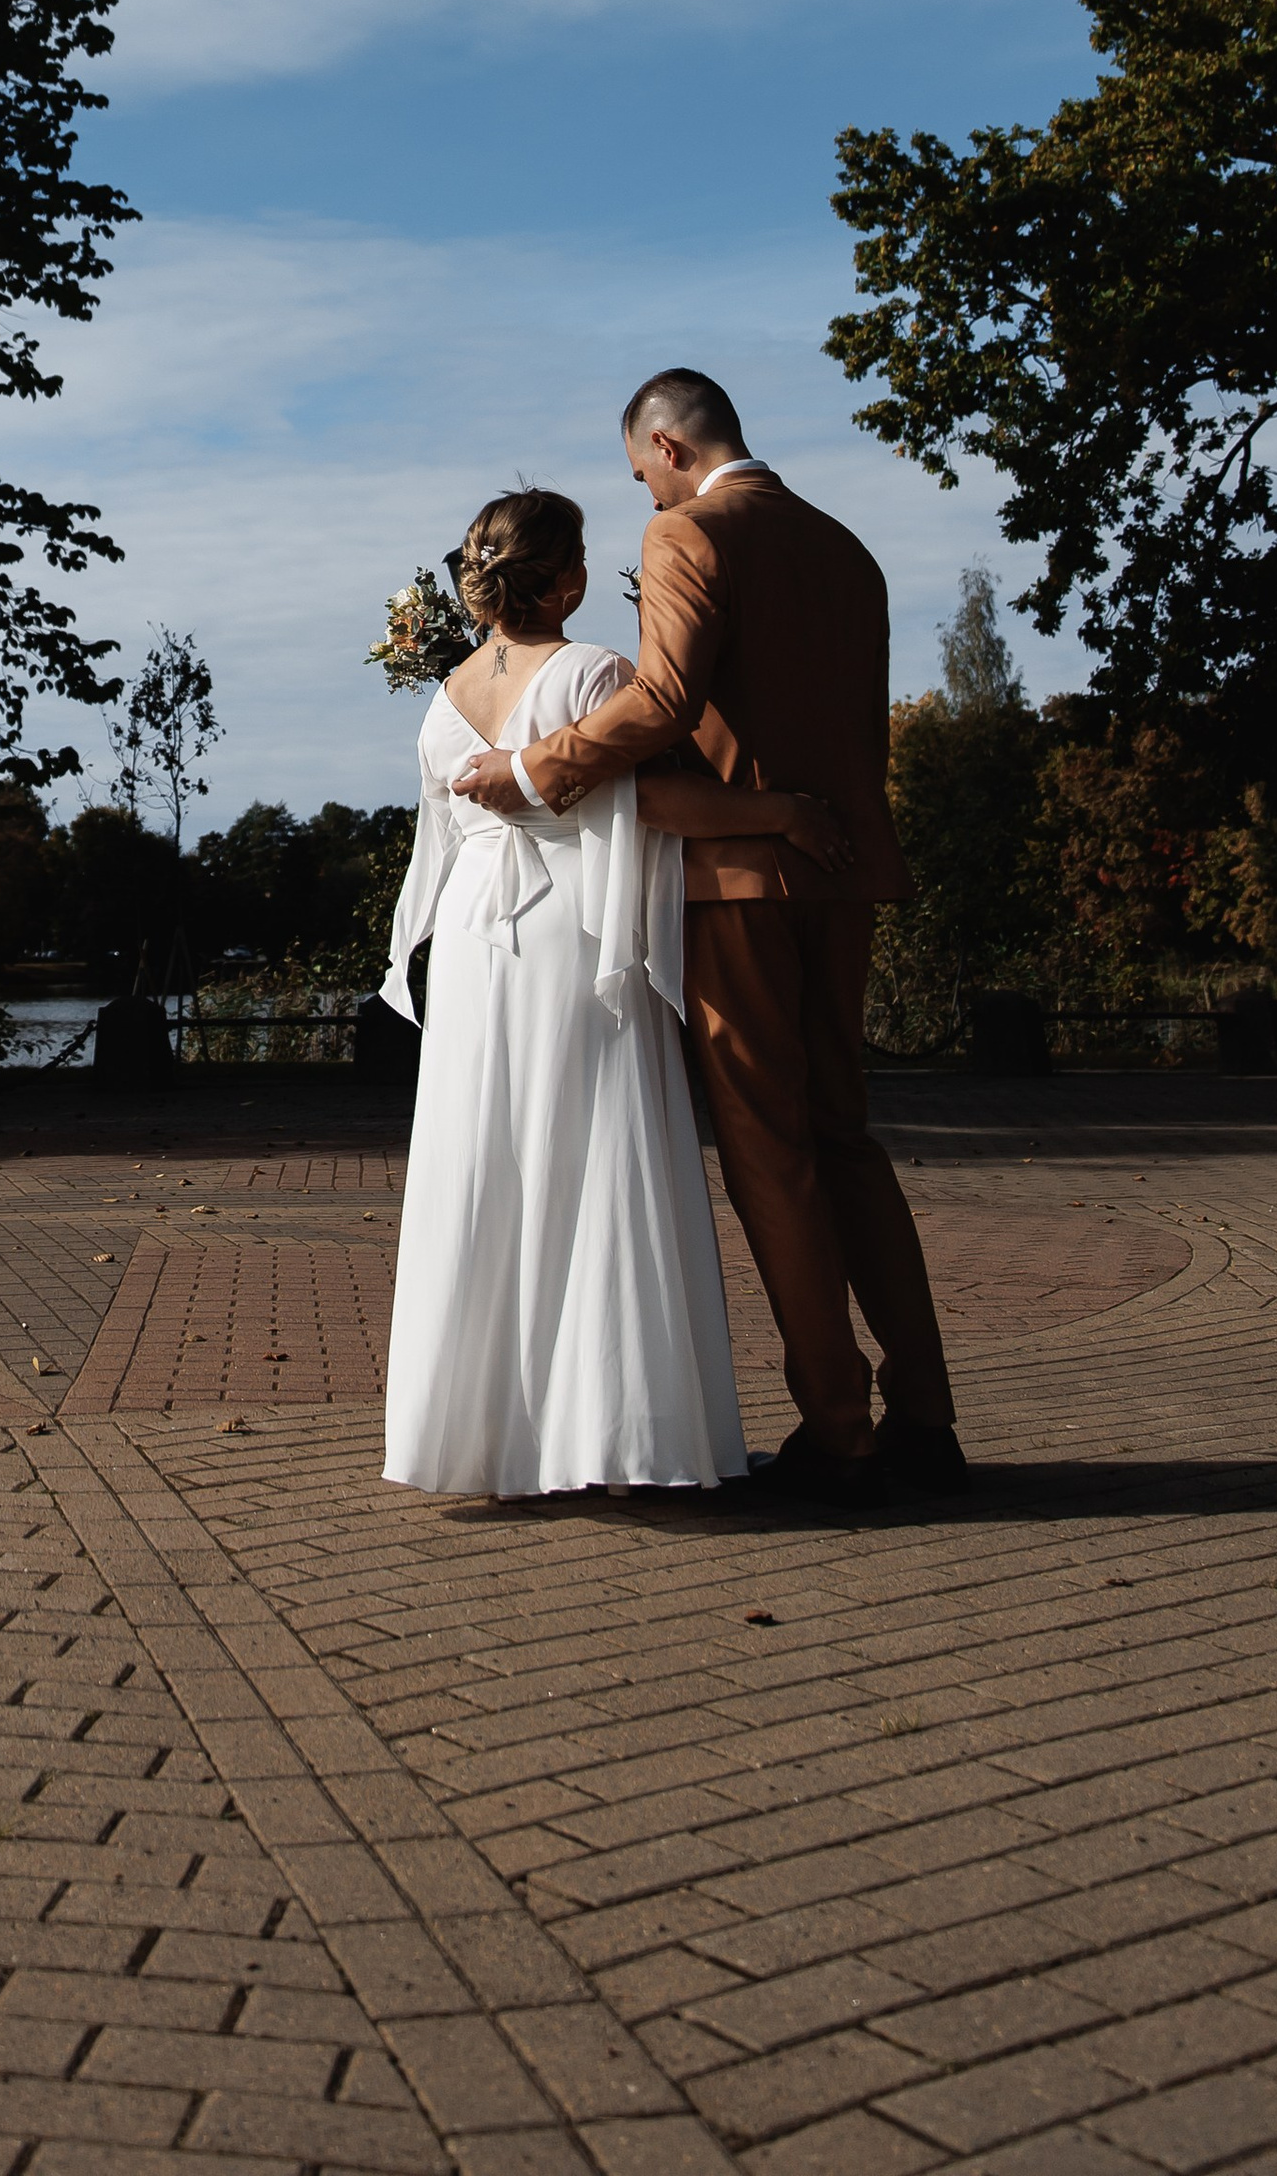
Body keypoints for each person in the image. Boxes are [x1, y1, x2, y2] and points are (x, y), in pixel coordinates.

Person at [452, 373, 962, 1507]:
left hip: (738, 886)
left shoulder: (688, 534)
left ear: (669, 448)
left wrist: (533, 769)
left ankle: (840, 1433)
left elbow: (668, 701)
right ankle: (924, 1414)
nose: (642, 490)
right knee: (847, 1140)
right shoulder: (845, 548)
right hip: (840, 876)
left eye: (642, 471)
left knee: (770, 1157)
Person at [380, 485, 852, 1501]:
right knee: (589, 1158)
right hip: (566, 929)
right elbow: (657, 799)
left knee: (487, 1162)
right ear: (569, 579)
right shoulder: (593, 672)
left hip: (470, 940)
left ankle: (480, 1441)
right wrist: (777, 814)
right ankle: (614, 1438)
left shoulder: (444, 695)